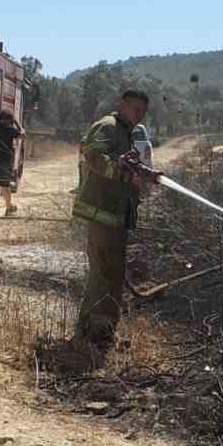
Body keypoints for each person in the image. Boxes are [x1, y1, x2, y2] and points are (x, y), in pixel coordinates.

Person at [72, 90, 160, 347]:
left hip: (116, 216)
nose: (139, 115)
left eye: (143, 111)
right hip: (102, 214)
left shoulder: (126, 132)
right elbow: (93, 155)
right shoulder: (108, 126)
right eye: (136, 109)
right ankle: (91, 333)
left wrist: (146, 174)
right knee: (103, 275)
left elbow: (126, 163)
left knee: (113, 274)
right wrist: (121, 173)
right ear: (122, 105)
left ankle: (104, 329)